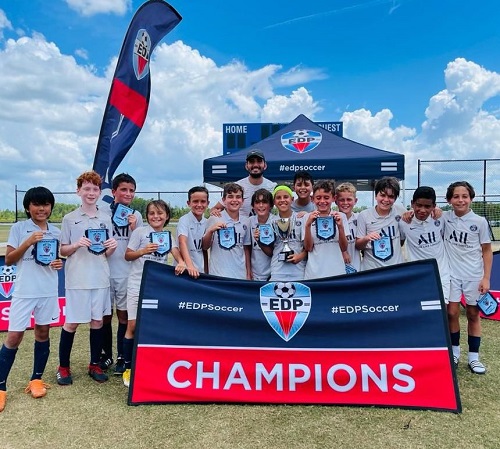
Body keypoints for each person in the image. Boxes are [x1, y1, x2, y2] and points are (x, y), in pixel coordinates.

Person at [0, 187, 63, 412]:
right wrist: (28, 242)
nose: (42, 209)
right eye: (37, 204)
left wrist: (58, 263)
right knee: (14, 336)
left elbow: (54, 259)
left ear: (50, 207)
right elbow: (8, 260)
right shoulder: (19, 228)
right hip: (25, 291)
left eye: (46, 204)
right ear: (28, 207)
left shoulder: (56, 232)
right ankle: (0, 387)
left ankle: (36, 379)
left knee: (42, 333)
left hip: (47, 290)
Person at [56, 171, 117, 385]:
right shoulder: (69, 218)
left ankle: (94, 364)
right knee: (71, 323)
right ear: (78, 191)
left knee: (97, 321)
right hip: (78, 278)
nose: (91, 193)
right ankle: (63, 367)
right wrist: (76, 244)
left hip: (100, 277)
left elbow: (106, 252)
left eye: (95, 189)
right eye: (87, 188)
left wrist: (112, 247)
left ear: (100, 192)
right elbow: (63, 250)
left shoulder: (105, 217)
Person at [122, 200, 186, 387]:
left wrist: (181, 262)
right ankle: (128, 368)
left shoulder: (168, 235)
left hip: (155, 286)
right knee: (132, 326)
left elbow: (176, 253)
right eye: (151, 213)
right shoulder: (140, 232)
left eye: (160, 213)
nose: (155, 217)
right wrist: (142, 251)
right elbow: (128, 255)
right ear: (147, 216)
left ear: (166, 216)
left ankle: (149, 365)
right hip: (136, 284)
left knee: (151, 327)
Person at [443, 181, 492, 374]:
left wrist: (486, 278)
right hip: (452, 274)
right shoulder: (444, 217)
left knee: (473, 314)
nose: (460, 200)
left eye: (465, 196)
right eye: (456, 196)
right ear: (449, 200)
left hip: (473, 274)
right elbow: (425, 214)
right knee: (452, 313)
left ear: (471, 198)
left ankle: (474, 358)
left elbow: (487, 251)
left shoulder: (479, 221)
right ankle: (454, 353)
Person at [100, 173, 143, 375]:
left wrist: (134, 227)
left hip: (128, 273)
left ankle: (121, 356)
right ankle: (105, 354)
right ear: (114, 191)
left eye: (131, 190)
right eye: (123, 189)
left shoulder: (137, 215)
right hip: (105, 272)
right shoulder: (102, 214)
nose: (127, 193)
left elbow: (139, 245)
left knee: (124, 316)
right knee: (105, 316)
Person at [398, 186, 451, 303]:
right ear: (412, 204)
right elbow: (399, 244)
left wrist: (438, 211)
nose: (422, 210)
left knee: (443, 311)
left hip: (441, 274)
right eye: (419, 205)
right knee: (423, 312)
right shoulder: (404, 222)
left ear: (433, 206)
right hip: (418, 274)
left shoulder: (440, 218)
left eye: (427, 206)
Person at [257, 185, 307, 281]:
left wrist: (300, 256)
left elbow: (308, 247)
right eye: (278, 198)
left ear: (292, 199)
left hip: (299, 270)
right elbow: (270, 252)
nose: (282, 200)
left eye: (286, 197)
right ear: (274, 201)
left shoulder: (301, 218)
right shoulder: (270, 222)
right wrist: (259, 241)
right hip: (278, 271)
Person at [355, 177, 406, 271]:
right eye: (382, 195)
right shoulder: (364, 215)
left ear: (395, 198)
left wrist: (436, 210)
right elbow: (358, 246)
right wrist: (366, 238)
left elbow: (402, 240)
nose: (386, 200)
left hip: (395, 269)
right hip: (371, 270)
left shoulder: (401, 211)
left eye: (391, 197)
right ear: (376, 195)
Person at [202, 183, 252, 279]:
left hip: (240, 275)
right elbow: (204, 247)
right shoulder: (214, 218)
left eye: (238, 197)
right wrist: (210, 231)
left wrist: (248, 273)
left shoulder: (246, 221)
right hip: (218, 275)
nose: (234, 200)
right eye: (230, 197)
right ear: (224, 200)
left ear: (242, 201)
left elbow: (246, 249)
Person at [303, 181, 348, 279]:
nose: (322, 201)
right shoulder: (307, 217)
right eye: (318, 198)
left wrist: (340, 227)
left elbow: (344, 248)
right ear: (312, 199)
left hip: (337, 272)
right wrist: (308, 225)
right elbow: (308, 248)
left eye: (326, 197)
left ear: (333, 198)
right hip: (314, 274)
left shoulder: (341, 216)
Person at [211, 149, 276, 217]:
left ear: (265, 165)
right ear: (246, 166)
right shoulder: (237, 187)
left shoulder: (272, 187)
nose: (255, 165)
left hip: (265, 227)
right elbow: (215, 209)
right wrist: (215, 213)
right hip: (241, 226)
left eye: (259, 161)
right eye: (252, 162)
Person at [177, 186, 209, 278]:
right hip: (185, 269)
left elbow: (204, 249)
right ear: (189, 203)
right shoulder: (184, 220)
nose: (199, 205)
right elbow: (182, 242)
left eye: (203, 201)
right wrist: (190, 266)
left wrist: (206, 270)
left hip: (200, 270)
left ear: (208, 203)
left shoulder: (206, 222)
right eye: (195, 201)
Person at [249, 189, 276, 281]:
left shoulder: (277, 222)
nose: (261, 205)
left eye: (264, 202)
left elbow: (272, 253)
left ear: (271, 205)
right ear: (253, 206)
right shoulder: (249, 222)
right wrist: (248, 271)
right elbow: (247, 249)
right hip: (254, 274)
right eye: (257, 202)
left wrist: (260, 241)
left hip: (273, 274)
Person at [335, 182, 361, 272]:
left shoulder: (360, 218)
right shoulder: (330, 218)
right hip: (335, 268)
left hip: (356, 266)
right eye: (342, 200)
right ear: (336, 201)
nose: (345, 203)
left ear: (355, 201)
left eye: (349, 199)